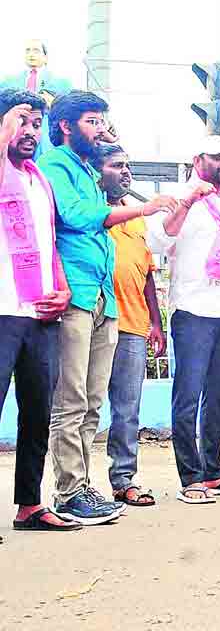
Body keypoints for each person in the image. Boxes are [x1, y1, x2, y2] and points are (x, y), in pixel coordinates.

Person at [39, 91, 176, 523]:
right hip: (75, 295)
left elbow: (103, 160)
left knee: (94, 401)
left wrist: (101, 137)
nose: (101, 130)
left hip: (103, 298)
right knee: (72, 400)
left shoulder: (82, 165)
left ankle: (85, 487)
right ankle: (68, 490)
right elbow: (77, 216)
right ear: (66, 126)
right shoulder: (56, 166)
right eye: (92, 121)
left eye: (103, 122)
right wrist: (146, 207)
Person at [147, 140, 220, 504]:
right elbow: (160, 241)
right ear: (198, 161)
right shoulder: (180, 196)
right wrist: (189, 200)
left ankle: (213, 471)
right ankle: (190, 476)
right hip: (193, 310)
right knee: (188, 396)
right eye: (218, 158)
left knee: (218, 396)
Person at [0, 92, 79, 534]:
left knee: (37, 413)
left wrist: (63, 289)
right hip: (1, 312)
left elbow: (49, 242)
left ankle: (29, 505)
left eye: (35, 125)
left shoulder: (37, 180)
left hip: (40, 314)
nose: (30, 132)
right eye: (22, 122)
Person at [96, 145, 166, 508]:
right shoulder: (89, 211)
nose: (125, 172)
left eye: (128, 166)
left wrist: (157, 322)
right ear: (98, 169)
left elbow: (148, 274)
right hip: (95, 320)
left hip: (134, 325)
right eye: (116, 165)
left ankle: (124, 480)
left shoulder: (136, 219)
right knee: (83, 408)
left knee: (127, 408)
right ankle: (74, 486)